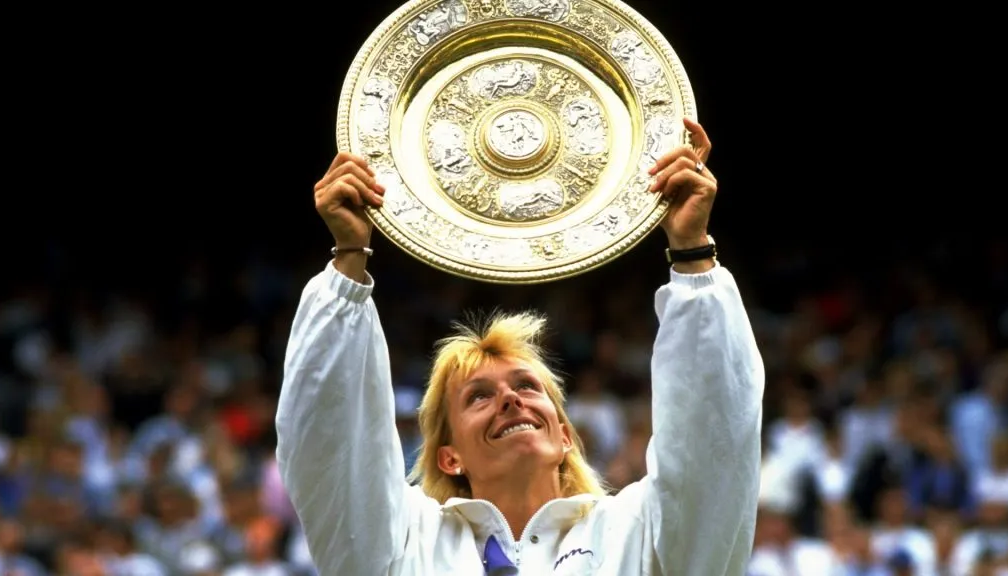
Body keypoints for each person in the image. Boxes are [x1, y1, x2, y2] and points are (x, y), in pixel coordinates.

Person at [275, 117, 766, 575]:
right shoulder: (405, 543)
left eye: (528, 386)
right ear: (449, 457)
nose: (511, 399)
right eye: (478, 396)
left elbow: (716, 440)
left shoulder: (635, 533)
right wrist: (347, 264)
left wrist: (694, 255)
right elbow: (330, 440)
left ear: (566, 436)